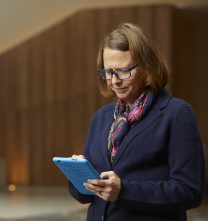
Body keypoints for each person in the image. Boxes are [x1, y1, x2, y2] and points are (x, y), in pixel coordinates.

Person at [68, 23, 206, 221]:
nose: (115, 81)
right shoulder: (101, 118)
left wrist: (124, 191)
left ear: (147, 66)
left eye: (123, 71)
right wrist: (78, 177)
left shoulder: (177, 113)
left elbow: (190, 191)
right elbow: (85, 196)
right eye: (108, 72)